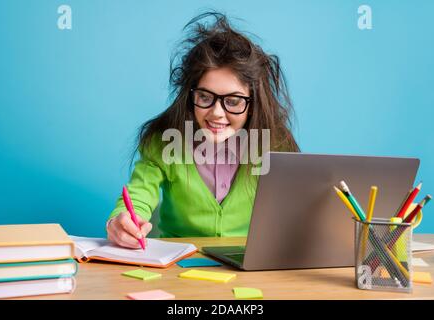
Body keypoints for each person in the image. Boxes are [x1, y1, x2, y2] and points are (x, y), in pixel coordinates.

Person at [106, 12, 299, 248]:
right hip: (178, 267)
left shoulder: (275, 146)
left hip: (249, 268)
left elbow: (292, 213)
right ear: (190, 96)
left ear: (253, 104)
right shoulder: (165, 141)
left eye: (234, 101)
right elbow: (138, 195)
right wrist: (121, 221)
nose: (217, 112)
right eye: (205, 97)